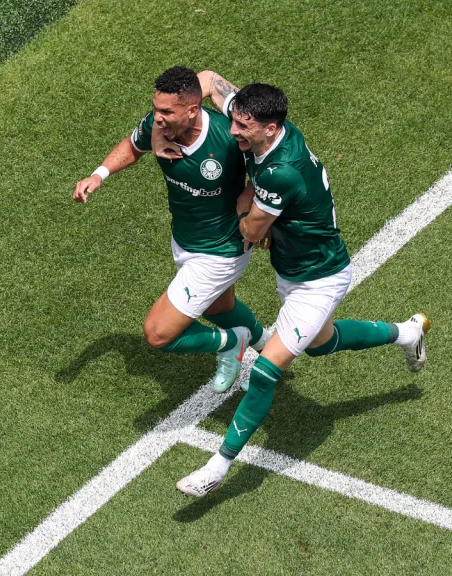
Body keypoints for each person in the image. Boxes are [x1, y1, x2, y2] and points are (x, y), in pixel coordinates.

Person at [176, 75, 431, 497]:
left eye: (242, 127)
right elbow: (206, 81)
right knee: (320, 343)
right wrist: (173, 127)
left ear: (270, 128)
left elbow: (252, 231)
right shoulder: (259, 125)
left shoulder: (282, 172)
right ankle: (408, 332)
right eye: (234, 121)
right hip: (292, 272)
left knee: (263, 372)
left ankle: (216, 469)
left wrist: (218, 204)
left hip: (319, 280)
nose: (233, 131)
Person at [73, 67, 271, 393]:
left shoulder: (228, 137)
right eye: (155, 109)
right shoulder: (159, 127)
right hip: (185, 239)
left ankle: (230, 343)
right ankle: (266, 344)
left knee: (158, 333)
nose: (158, 117)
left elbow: (268, 172)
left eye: (166, 111)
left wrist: (258, 218)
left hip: (221, 250)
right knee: (218, 307)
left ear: (192, 110)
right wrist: (99, 175)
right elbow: (133, 146)